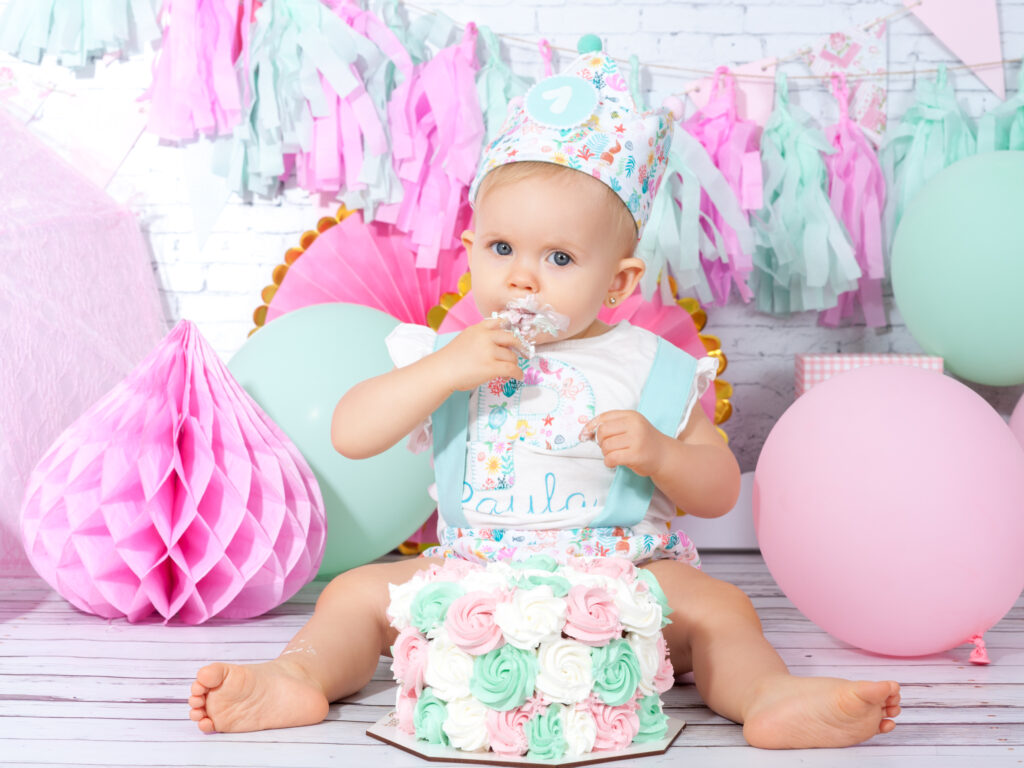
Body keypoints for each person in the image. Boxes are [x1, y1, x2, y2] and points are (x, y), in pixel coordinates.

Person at [188, 42, 900, 749]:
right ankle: (298, 677)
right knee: (351, 597)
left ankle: (764, 694)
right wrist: (439, 373)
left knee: (720, 610)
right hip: (471, 568)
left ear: (617, 284)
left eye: (558, 259)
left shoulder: (649, 362)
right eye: (502, 249)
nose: (523, 278)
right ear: (469, 249)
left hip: (620, 573)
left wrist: (660, 453)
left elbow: (716, 490)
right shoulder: (445, 352)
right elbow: (350, 433)